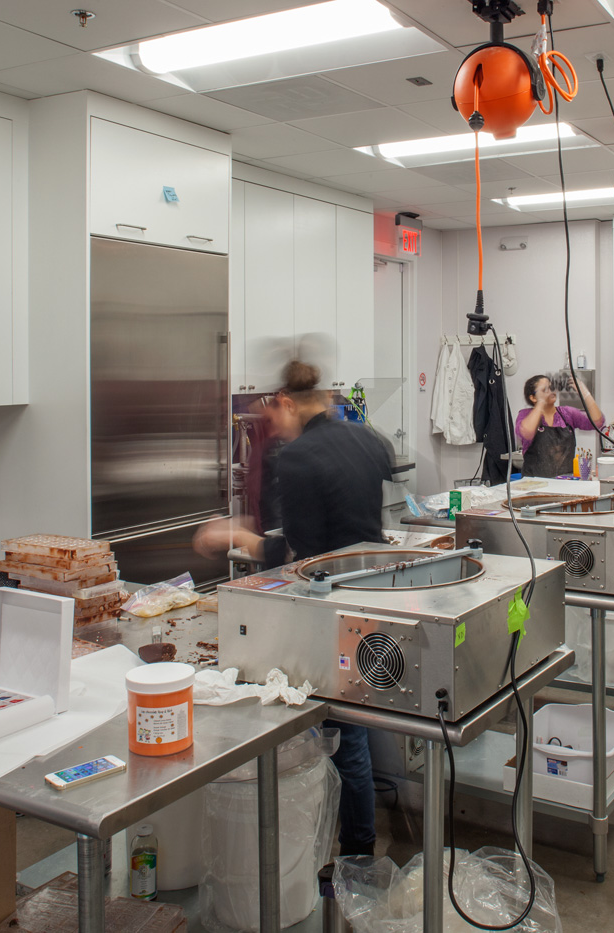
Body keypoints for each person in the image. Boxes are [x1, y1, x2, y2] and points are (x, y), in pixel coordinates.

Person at [195, 361, 392, 857]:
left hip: (327, 613)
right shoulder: (368, 439)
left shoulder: (300, 458)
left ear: (287, 401)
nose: (272, 427)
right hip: (373, 597)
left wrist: (240, 538)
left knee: (345, 739)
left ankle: (349, 853)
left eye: (271, 412)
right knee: (354, 728)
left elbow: (305, 559)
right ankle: (357, 851)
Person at [514, 374, 605, 478]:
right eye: (545, 389)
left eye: (551, 387)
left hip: (565, 482)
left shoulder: (567, 414)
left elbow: (597, 422)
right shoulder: (525, 415)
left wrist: (584, 392)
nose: (551, 391)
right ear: (533, 398)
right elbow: (526, 432)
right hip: (534, 484)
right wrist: (541, 402)